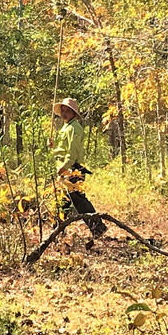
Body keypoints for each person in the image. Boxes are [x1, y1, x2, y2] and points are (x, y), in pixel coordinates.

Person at [51, 97, 107, 238]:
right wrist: (53, 146)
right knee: (63, 200)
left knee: (78, 199)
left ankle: (98, 227)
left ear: (73, 113)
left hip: (74, 169)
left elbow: (72, 152)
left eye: (67, 111)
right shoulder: (66, 127)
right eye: (62, 110)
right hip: (66, 168)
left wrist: (63, 167)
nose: (64, 113)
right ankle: (57, 230)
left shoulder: (75, 128)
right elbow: (62, 149)